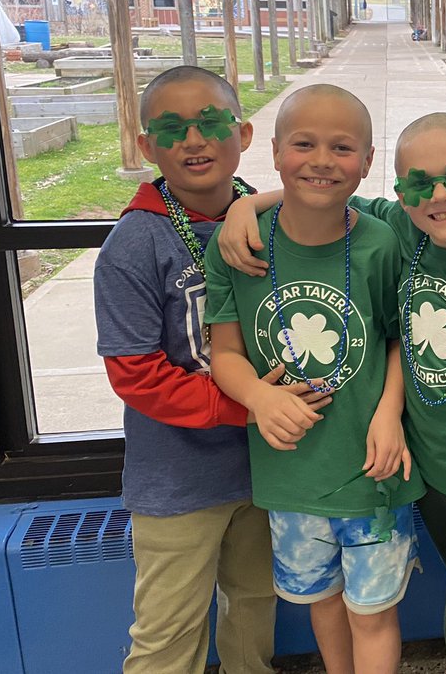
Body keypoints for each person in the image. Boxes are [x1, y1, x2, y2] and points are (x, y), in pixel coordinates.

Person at [216, 112, 446, 674]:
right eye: (419, 184)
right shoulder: (404, 228)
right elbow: (317, 191)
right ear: (398, 189)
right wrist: (245, 205)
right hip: (430, 470)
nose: (440, 195)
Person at [94, 65, 320, 673]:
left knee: (254, 606)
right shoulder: (136, 245)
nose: (193, 141)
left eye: (210, 123)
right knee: (169, 633)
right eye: (171, 129)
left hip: (265, 468)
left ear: (243, 134)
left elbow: (341, 201)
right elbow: (135, 374)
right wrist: (246, 403)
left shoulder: (273, 222)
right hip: (178, 482)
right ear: (147, 146)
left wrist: (267, 200)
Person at [205, 84, 424, 674]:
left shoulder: (382, 244)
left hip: (374, 473)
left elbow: (400, 337)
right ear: (274, 153)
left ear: (368, 163)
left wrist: (388, 413)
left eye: (343, 147)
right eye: (304, 144)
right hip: (292, 473)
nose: (323, 160)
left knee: (373, 611)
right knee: (322, 603)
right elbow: (222, 350)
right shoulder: (240, 246)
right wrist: (257, 395)